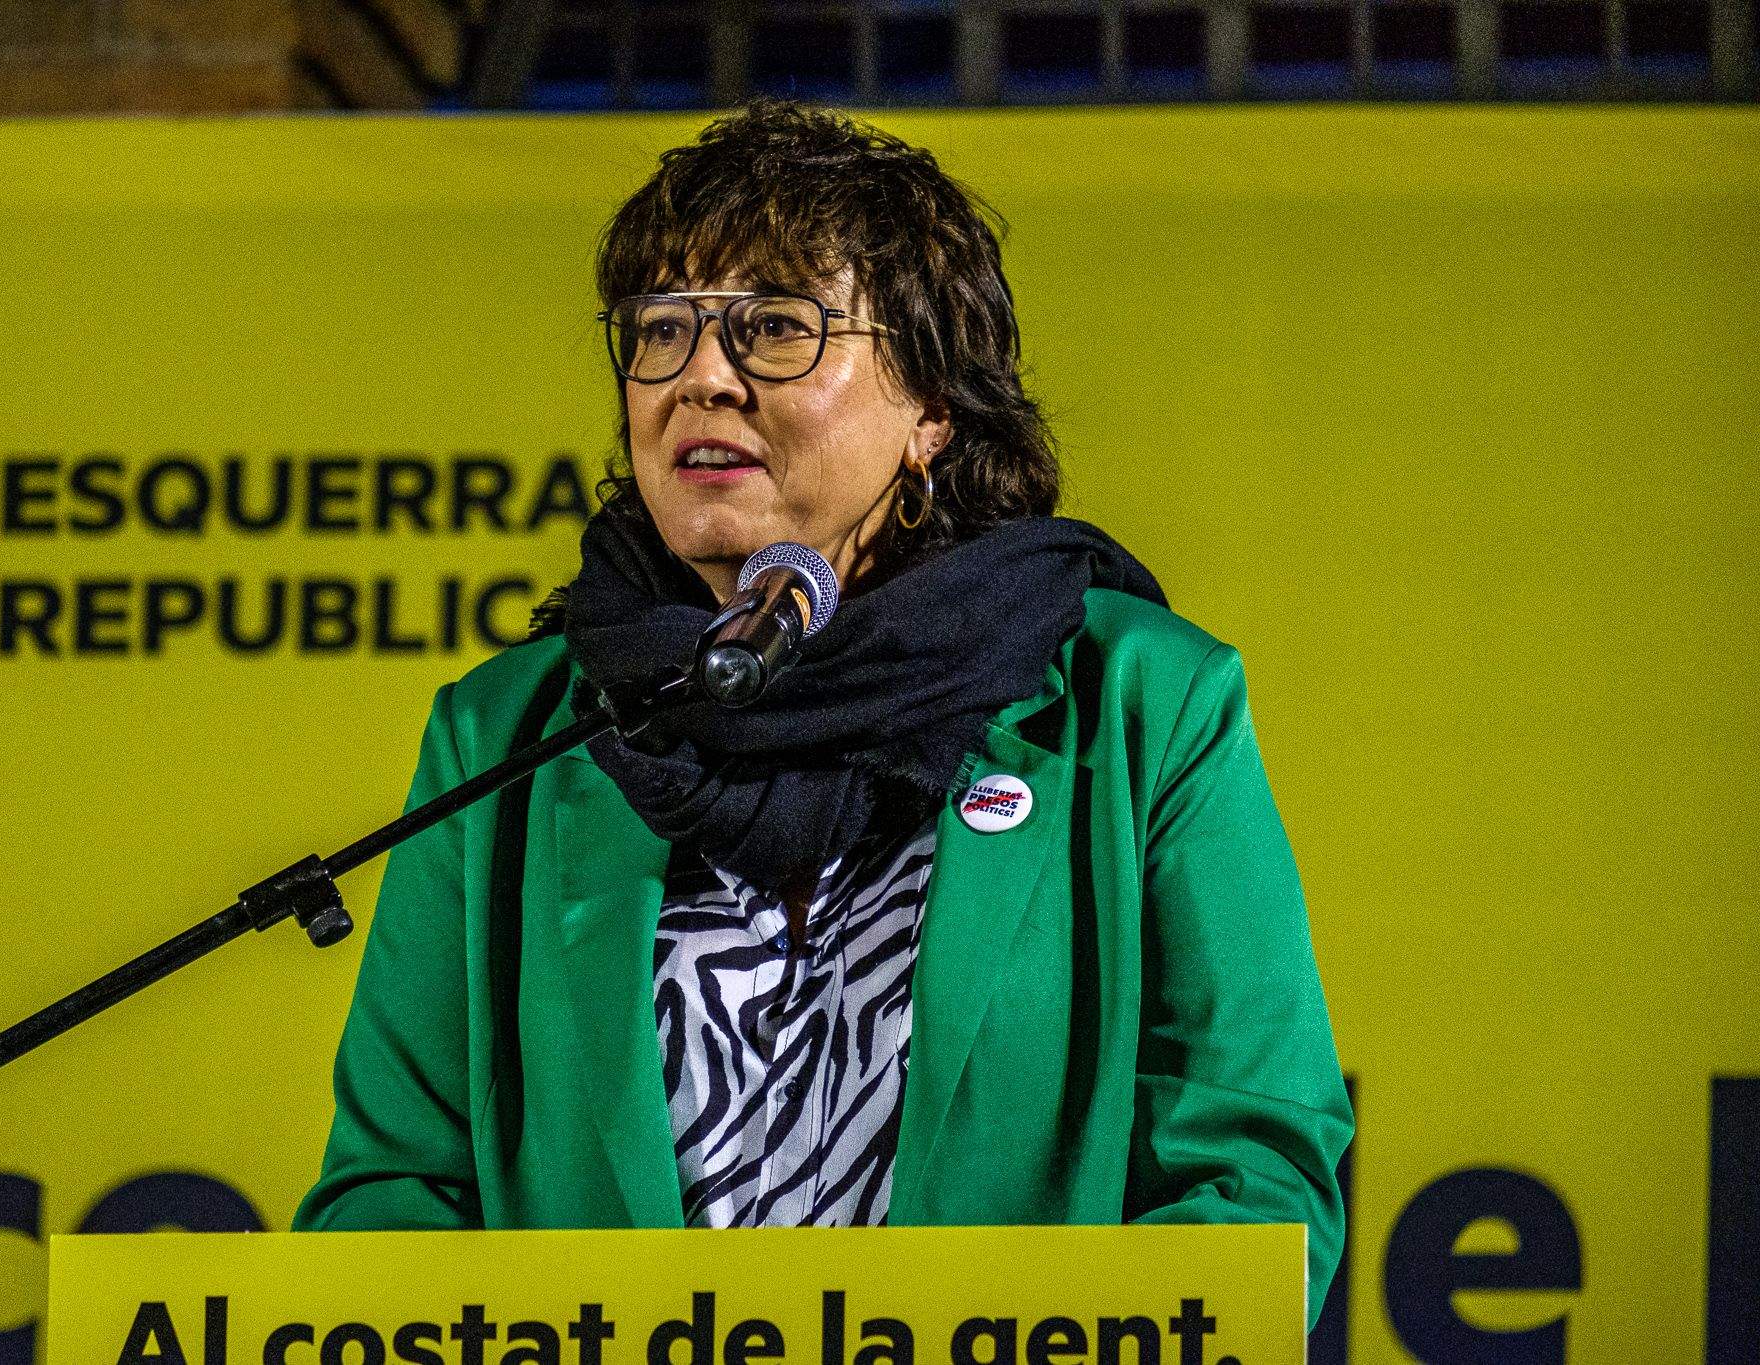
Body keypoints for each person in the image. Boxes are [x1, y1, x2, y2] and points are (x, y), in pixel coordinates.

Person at [296, 99, 1354, 1328]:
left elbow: (1253, 1173)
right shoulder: (514, 736)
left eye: (776, 329)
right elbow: (392, 1192)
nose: (698, 376)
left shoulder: (1136, 705)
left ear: (932, 410)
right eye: (659, 332)